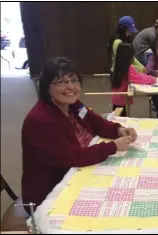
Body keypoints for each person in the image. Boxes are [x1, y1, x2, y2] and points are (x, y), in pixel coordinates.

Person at [21, 57, 137, 211]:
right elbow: (73, 157)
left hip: (79, 173)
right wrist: (112, 147)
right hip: (51, 195)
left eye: (74, 80)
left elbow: (98, 124)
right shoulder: (41, 120)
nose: (70, 87)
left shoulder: (73, 105)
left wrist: (118, 130)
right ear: (46, 87)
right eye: (61, 82)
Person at [111, 43, 157, 117]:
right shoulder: (128, 68)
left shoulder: (117, 67)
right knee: (121, 119)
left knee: (118, 118)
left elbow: (137, 75)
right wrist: (152, 79)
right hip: (122, 99)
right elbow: (139, 79)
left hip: (116, 98)